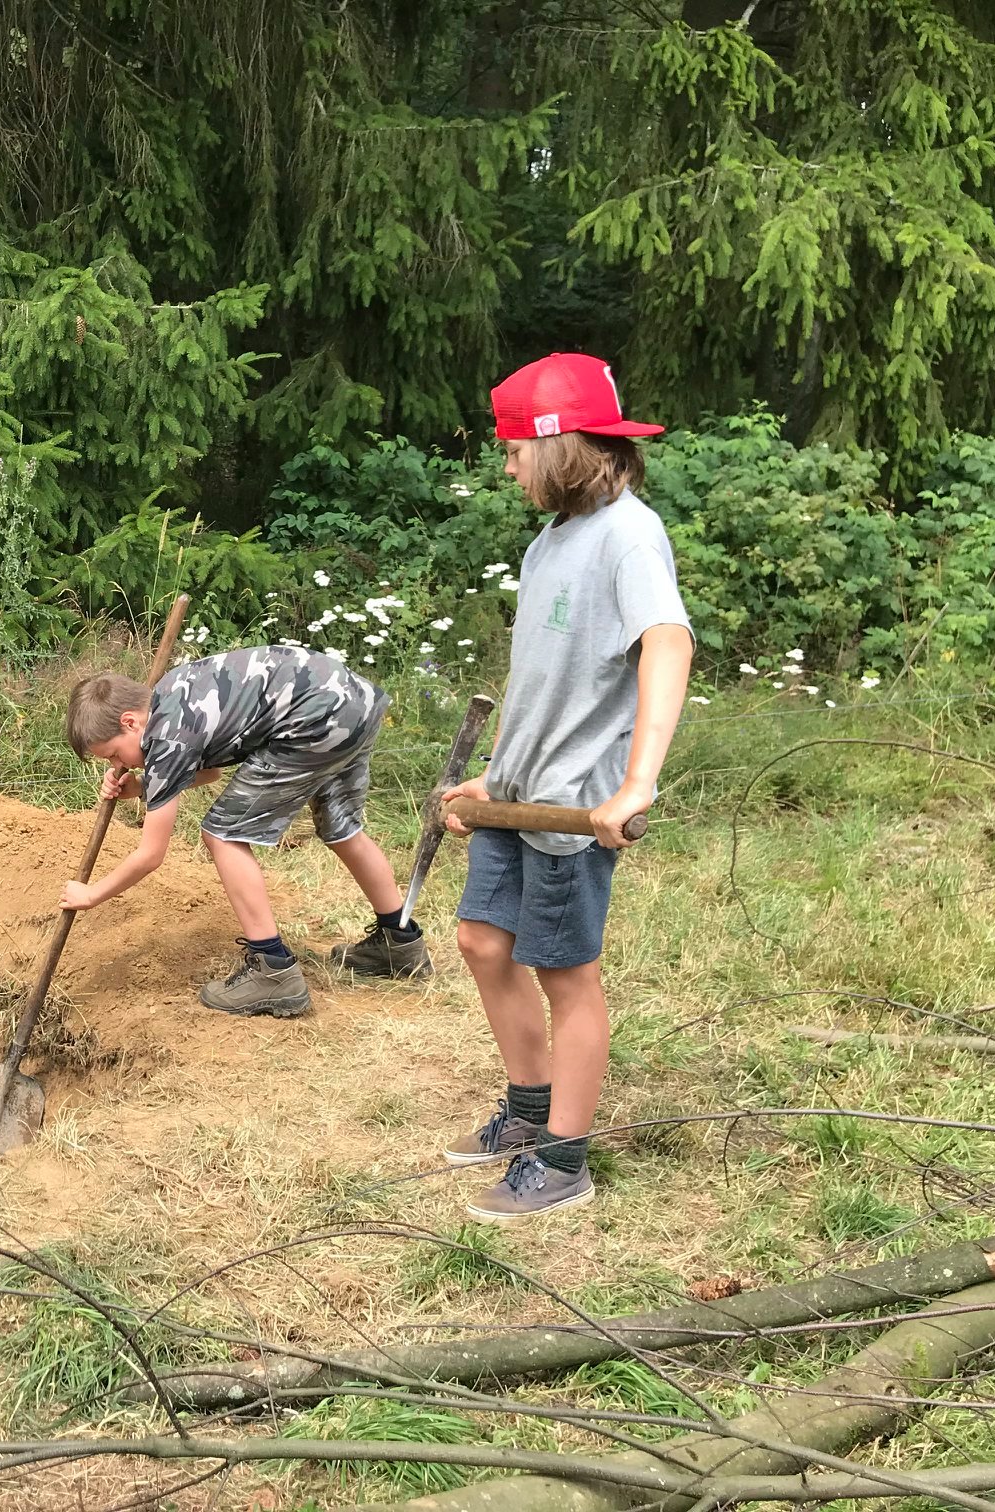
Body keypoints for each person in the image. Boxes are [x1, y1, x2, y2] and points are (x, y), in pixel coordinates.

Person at [441, 352, 692, 1221]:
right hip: (520, 791)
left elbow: (667, 640)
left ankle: (564, 1160)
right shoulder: (553, 539)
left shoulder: (630, 534)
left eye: (513, 449)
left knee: (567, 975)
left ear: (556, 444)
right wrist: (495, 772)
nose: (507, 466)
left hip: (574, 806)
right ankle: (528, 1110)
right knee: (481, 942)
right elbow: (543, 674)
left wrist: (637, 783)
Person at [60, 646, 425, 1018]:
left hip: (311, 721)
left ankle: (273, 969)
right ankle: (400, 942)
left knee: (222, 833)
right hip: (348, 702)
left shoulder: (167, 738)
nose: (117, 764)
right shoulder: (171, 694)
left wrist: (91, 895)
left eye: (112, 754)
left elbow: (150, 855)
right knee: (341, 825)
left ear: (130, 722)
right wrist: (143, 787)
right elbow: (211, 771)